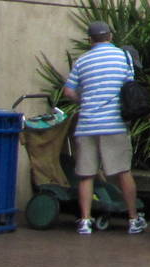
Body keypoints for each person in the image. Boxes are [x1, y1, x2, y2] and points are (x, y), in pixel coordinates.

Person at [61, 21, 145, 235]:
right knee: (123, 172)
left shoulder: (82, 61)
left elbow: (68, 91)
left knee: (86, 175)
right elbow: (129, 88)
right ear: (110, 36)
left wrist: (85, 99)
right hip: (114, 124)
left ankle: (85, 221)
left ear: (90, 40)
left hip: (87, 124)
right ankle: (133, 219)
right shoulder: (123, 57)